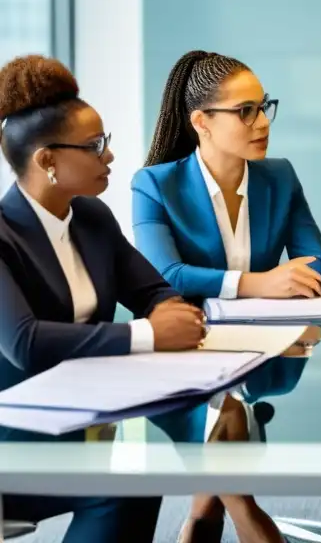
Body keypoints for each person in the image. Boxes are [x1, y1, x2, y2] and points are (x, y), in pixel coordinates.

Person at [0, 55, 205, 542]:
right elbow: (24, 343)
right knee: (120, 487)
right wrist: (148, 332)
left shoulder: (92, 217)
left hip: (85, 416)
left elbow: (156, 291)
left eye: (106, 141)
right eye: (95, 146)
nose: (109, 155)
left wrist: (162, 312)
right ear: (47, 161)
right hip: (15, 435)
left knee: (139, 476)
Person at [132, 50, 321, 543]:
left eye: (264, 106)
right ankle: (243, 512)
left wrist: (285, 285)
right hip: (185, 349)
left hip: (270, 346)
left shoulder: (278, 176)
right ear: (201, 121)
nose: (262, 121)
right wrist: (258, 282)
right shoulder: (156, 185)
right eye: (246, 111)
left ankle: (204, 515)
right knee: (226, 408)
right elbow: (166, 276)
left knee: (226, 410)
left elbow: (319, 263)